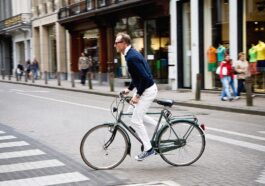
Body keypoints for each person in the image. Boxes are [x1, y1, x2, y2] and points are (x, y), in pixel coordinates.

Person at [114, 32, 158, 161]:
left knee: (135, 121)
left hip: (147, 90)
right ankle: (159, 127)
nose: (115, 44)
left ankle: (148, 149)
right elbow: (137, 76)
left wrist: (137, 95)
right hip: (144, 88)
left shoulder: (131, 57)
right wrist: (129, 89)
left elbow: (144, 77)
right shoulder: (130, 54)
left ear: (124, 43)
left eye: (117, 42)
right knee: (132, 113)